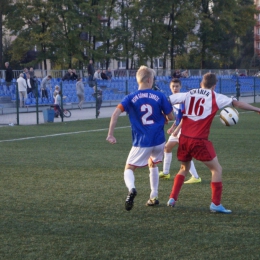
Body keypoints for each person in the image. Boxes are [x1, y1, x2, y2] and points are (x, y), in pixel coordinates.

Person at [166, 72, 260, 213]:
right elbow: (238, 103)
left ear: (201, 83)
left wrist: (164, 116)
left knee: (184, 169)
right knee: (216, 169)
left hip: (184, 138)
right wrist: (257, 109)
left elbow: (167, 100)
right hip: (199, 140)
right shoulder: (216, 96)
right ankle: (215, 204)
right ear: (214, 86)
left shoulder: (189, 93)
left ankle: (172, 198)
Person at [106, 65, 173, 211]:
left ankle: (132, 189)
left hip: (142, 141)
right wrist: (163, 116)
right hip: (159, 140)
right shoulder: (160, 95)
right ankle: (153, 196)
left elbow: (115, 114)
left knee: (129, 168)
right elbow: (171, 116)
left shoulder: (130, 97)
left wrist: (110, 134)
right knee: (153, 163)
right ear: (149, 80)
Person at [159, 78, 201, 184]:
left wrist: (176, 130)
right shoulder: (174, 99)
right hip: (179, 129)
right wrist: (173, 127)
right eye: (173, 86)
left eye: (177, 86)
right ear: (170, 87)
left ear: (180, 87)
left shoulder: (182, 99)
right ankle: (166, 172)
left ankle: (196, 177)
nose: (175, 88)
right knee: (167, 148)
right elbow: (178, 117)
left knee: (185, 153)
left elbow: (185, 118)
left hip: (185, 129)